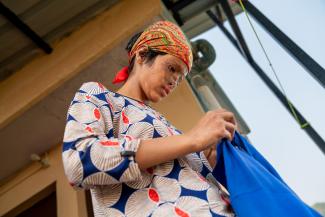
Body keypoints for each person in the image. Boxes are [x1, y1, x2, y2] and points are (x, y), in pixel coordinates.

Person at [62, 20, 238, 217]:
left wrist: (207, 159)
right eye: (172, 68)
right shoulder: (100, 97)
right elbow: (79, 161)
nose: (174, 81)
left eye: (180, 78)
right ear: (142, 54)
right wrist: (191, 140)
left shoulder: (168, 127)